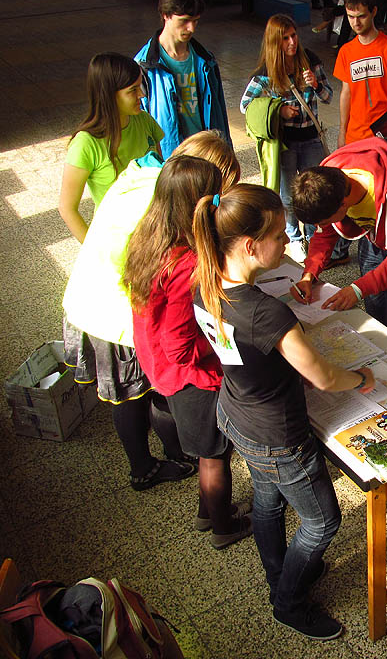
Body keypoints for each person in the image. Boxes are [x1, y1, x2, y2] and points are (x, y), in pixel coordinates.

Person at [192, 183, 376, 641]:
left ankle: (278, 575)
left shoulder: (205, 277)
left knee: (268, 500)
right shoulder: (267, 313)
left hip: (238, 413)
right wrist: (363, 379)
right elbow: (322, 376)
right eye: (279, 235)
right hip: (278, 433)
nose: (288, 243)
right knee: (322, 521)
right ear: (251, 246)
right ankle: (289, 602)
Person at [62, 135, 240, 493]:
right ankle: (142, 469)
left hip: (116, 300)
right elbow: (177, 333)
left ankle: (177, 452)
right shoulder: (164, 216)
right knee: (131, 395)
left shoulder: (150, 181)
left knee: (153, 389)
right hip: (109, 312)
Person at [124, 149, 253, 550]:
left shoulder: (150, 236)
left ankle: (206, 512)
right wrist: (211, 375)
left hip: (160, 368)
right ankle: (222, 527)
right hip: (189, 376)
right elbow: (179, 342)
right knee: (215, 454)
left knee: (204, 451)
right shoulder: (187, 264)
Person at [289, 137, 387, 341]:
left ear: (343, 206)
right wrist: (309, 275)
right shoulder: (328, 177)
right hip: (375, 234)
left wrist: (356, 289)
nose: (323, 225)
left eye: (326, 220)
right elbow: (325, 232)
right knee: (375, 309)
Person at [240, 14, 333, 262]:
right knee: (288, 195)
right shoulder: (266, 73)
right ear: (275, 42)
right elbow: (246, 105)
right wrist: (278, 110)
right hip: (284, 143)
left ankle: (315, 235)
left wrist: (316, 85)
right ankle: (294, 237)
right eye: (285, 38)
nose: (292, 42)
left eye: (294, 35)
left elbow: (328, 97)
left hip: (311, 136)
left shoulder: (309, 60)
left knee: (316, 190)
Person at [59, 53, 164, 243]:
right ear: (109, 94)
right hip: (115, 241)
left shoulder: (145, 121)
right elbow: (67, 208)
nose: (141, 94)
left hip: (154, 235)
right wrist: (94, 251)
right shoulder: (85, 144)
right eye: (132, 90)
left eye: (140, 86)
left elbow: (162, 175)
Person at [135, 0, 231, 161]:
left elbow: (220, 116)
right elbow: (138, 126)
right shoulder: (144, 66)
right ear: (166, 15)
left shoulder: (206, 61)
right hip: (171, 163)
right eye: (184, 21)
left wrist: (226, 153)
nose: (191, 28)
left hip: (206, 156)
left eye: (195, 21)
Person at [334, 0, 387, 148]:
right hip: (354, 137)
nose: (356, 23)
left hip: (386, 137)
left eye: (361, 16)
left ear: (374, 11)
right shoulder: (346, 52)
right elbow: (346, 94)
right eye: (351, 17)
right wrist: (342, 132)